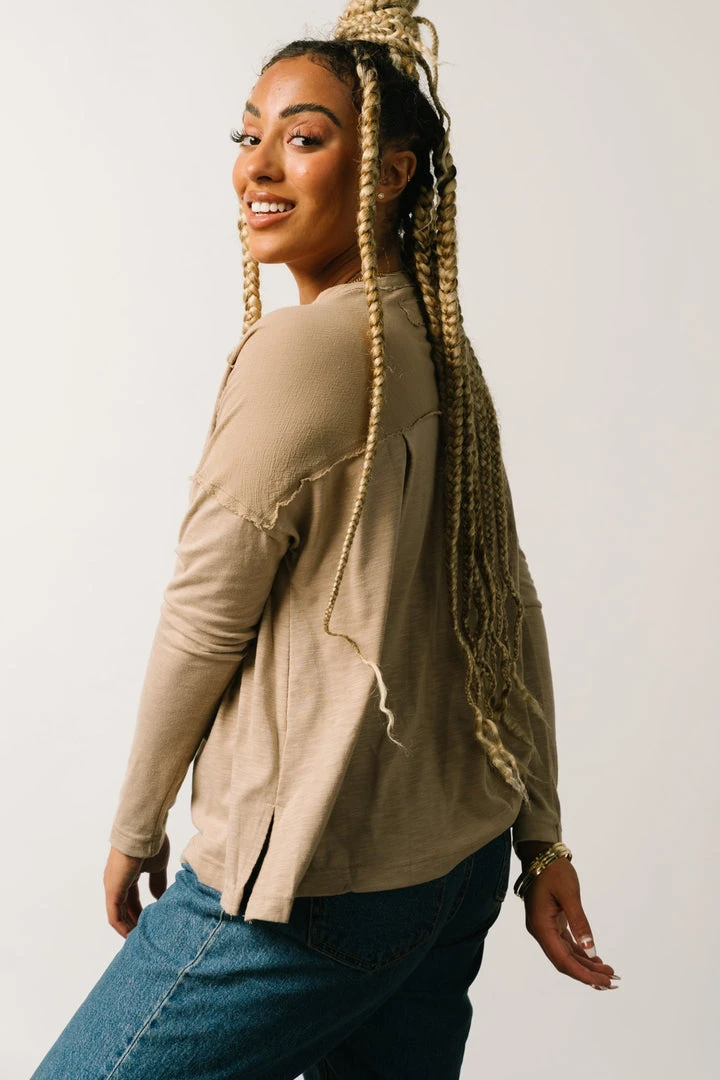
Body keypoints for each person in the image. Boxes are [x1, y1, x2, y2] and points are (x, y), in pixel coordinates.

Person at [31, 2, 618, 1077]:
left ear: (389, 174)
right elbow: (509, 602)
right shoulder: (436, 341)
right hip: (455, 872)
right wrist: (541, 837)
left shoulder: (301, 352)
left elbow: (204, 618)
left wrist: (136, 824)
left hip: (317, 882)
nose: (258, 166)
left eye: (302, 138)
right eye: (248, 134)